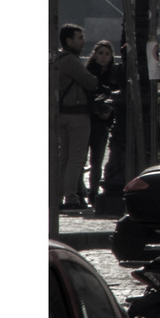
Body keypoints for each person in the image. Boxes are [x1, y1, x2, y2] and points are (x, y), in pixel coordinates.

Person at [52, 24, 100, 212]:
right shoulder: (71, 60)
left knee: (63, 157)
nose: (83, 41)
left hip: (61, 114)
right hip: (77, 115)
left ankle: (57, 195)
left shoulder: (56, 58)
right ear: (69, 41)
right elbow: (90, 82)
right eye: (79, 37)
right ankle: (71, 196)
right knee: (77, 158)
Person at [85, 40, 123, 207]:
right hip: (86, 120)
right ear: (94, 54)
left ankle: (93, 192)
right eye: (100, 53)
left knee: (97, 161)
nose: (103, 57)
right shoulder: (88, 72)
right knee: (80, 160)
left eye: (107, 54)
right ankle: (80, 191)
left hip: (103, 123)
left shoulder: (114, 75)